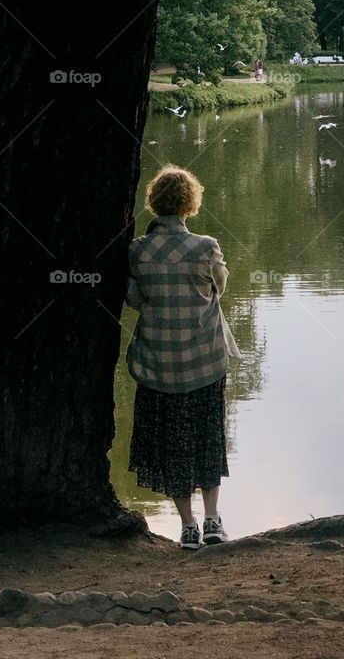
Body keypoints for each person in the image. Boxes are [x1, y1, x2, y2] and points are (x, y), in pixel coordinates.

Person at [126, 165, 240, 552]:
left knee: (172, 442)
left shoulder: (138, 250)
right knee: (208, 437)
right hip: (204, 362)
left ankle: (187, 527)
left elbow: (135, 300)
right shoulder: (206, 247)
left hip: (159, 365)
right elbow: (219, 288)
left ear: (154, 203)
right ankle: (212, 520)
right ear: (190, 203)